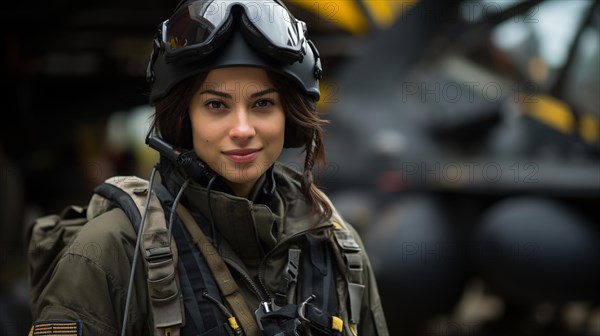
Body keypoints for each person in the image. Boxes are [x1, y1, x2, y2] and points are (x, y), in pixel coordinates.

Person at [28, 0, 389, 335]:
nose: (243, 130)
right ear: (184, 120)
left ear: (289, 118)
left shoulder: (336, 245)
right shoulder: (109, 251)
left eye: (263, 103)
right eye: (217, 105)